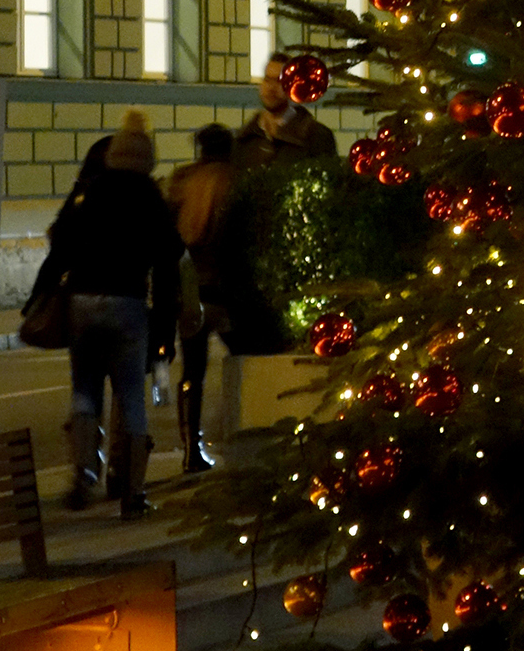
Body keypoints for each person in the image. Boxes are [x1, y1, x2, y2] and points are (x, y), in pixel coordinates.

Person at [44, 110, 184, 516]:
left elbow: (61, 243)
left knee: (84, 390)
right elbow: (168, 261)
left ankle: (82, 475)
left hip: (83, 302)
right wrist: (164, 323)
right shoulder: (150, 198)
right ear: (147, 159)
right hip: (128, 304)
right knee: (131, 398)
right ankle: (132, 495)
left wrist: (43, 292)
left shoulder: (91, 191)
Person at [164, 123, 239, 474]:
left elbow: (167, 235)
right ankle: (241, 438)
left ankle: (191, 448)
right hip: (229, 288)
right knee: (244, 361)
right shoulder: (237, 179)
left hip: (190, 288)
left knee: (192, 371)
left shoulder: (181, 180)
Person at [234, 54, 337, 169]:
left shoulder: (316, 137)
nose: (271, 88)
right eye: (267, 79)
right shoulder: (245, 138)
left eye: (279, 81)